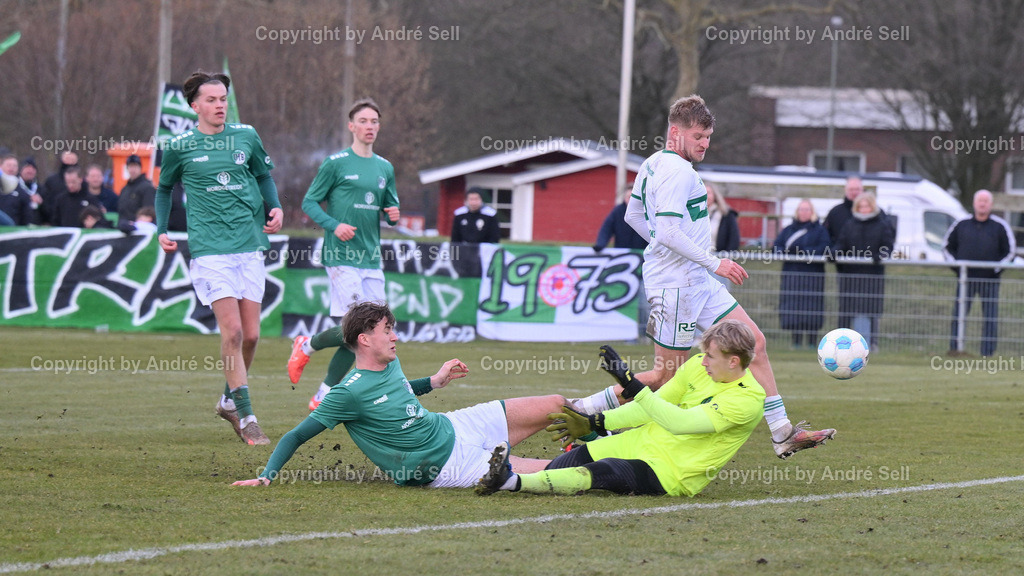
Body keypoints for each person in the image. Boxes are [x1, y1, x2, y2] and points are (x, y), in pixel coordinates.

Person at [575, 94, 833, 460]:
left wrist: (682, 255)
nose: (705, 144)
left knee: (754, 342)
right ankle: (583, 412)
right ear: (675, 132)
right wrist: (713, 263)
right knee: (665, 379)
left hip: (696, 281)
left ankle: (782, 432)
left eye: (708, 137)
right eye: (698, 136)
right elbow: (665, 231)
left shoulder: (652, 163)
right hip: (677, 286)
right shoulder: (677, 171)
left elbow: (635, 219)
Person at [233, 302, 566, 488]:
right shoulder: (347, 393)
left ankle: (605, 427)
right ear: (364, 339)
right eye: (387, 330)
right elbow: (296, 435)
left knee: (557, 405)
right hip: (445, 465)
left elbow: (401, 394)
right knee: (556, 470)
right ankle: (616, 466)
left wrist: (433, 382)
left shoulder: (390, 361)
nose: (394, 337)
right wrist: (266, 476)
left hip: (454, 425)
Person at [476, 320, 767, 497]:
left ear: (733, 361)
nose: (703, 361)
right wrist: (596, 422)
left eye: (711, 357)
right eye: (703, 354)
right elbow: (651, 408)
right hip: (639, 442)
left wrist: (634, 387)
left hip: (671, 473)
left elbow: (680, 422)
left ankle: (509, 481)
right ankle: (502, 477)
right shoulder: (696, 366)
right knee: (575, 457)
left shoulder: (748, 399)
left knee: (606, 470)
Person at [156, 70, 284, 446]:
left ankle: (229, 400)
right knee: (233, 332)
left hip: (249, 245)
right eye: (211, 100)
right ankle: (248, 419)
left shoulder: (246, 135)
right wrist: (162, 229)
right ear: (194, 106)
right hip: (210, 251)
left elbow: (263, 176)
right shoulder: (180, 145)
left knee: (253, 336)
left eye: (223, 99)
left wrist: (274, 207)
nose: (219, 105)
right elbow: (164, 189)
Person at [287, 98, 400, 412]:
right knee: (362, 328)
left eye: (374, 121)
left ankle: (322, 391)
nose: (369, 127)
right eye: (363, 121)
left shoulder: (385, 167)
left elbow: (391, 211)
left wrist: (393, 214)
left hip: (371, 258)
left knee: (370, 332)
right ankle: (306, 346)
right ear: (351, 126)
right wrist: (334, 226)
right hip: (341, 255)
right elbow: (310, 203)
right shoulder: (335, 162)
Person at [944, 190, 1015, 357]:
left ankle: (987, 353)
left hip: (990, 280)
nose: (982, 204)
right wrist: (958, 268)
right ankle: (956, 349)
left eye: (986, 201)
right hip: (965, 280)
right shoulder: (961, 224)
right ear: (974, 203)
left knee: (990, 316)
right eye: (979, 200)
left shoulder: (1000, 226)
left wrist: (995, 269)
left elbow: (1009, 252)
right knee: (959, 315)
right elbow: (947, 247)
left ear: (990, 204)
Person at [832, 192, 895, 350]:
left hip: (872, 276)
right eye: (861, 206)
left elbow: (888, 245)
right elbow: (841, 243)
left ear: (872, 206)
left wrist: (881, 255)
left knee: (870, 309)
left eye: (867, 206)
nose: (864, 209)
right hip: (850, 275)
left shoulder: (882, 224)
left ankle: (870, 344)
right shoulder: (850, 224)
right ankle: (843, 346)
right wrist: (834, 253)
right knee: (847, 309)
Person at [773, 199, 831, 348]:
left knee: (812, 307)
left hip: (813, 276)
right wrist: (783, 252)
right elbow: (777, 245)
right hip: (792, 275)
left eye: (807, 209)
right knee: (794, 307)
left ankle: (812, 342)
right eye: (801, 209)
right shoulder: (788, 230)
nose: (803, 212)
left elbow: (825, 247)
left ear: (812, 212)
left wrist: (805, 253)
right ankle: (796, 342)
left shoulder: (820, 230)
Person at [593, 187, 647, 252]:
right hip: (621, 253)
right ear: (624, 198)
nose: (631, 200)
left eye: (634, 198)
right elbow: (606, 229)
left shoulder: (647, 212)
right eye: (629, 197)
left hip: (643, 253)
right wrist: (600, 244)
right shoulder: (618, 211)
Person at [116, 154, 156, 234]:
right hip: (124, 229)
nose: (133, 170)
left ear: (140, 168)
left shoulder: (147, 187)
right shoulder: (124, 189)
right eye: (130, 166)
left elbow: (149, 211)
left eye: (135, 166)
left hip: (139, 230)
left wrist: (137, 223)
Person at [39, 151, 79, 225]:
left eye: (72, 159)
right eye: (67, 158)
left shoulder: (82, 182)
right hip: (54, 223)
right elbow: (45, 203)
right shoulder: (51, 181)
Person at [707, 183, 740, 252]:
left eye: (708, 193)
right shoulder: (691, 215)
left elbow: (734, 239)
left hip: (718, 257)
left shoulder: (726, 214)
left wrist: (726, 258)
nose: (705, 196)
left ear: (715, 195)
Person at [0, 155, 32, 226]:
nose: (12, 168)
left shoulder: (22, 191)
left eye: (14, 166)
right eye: (9, 165)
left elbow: (26, 217)